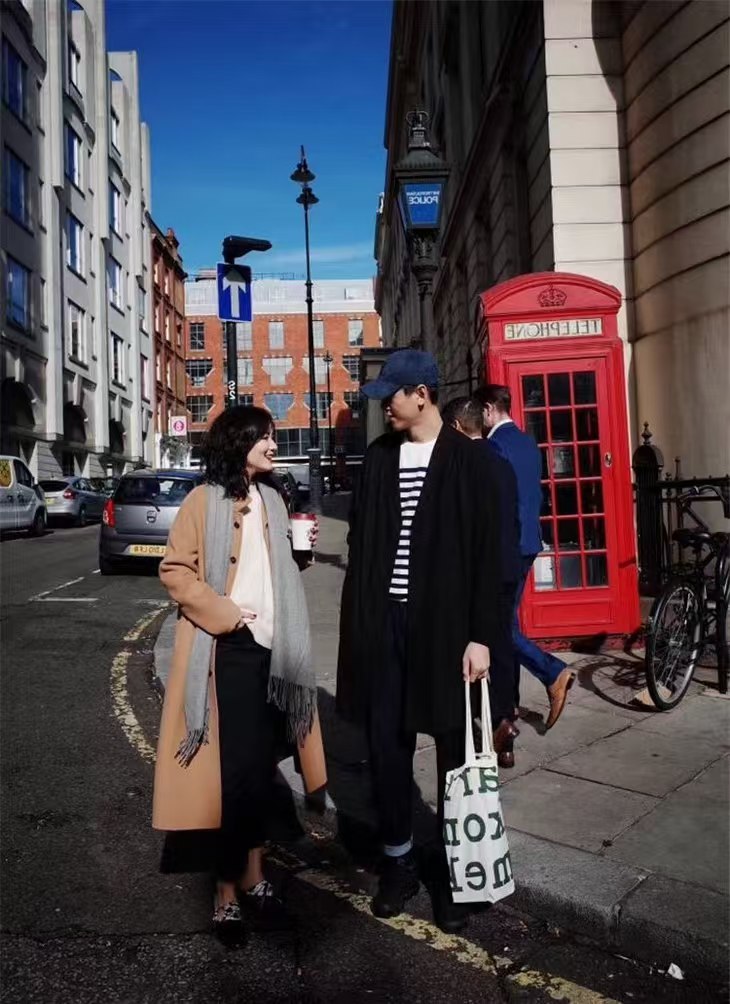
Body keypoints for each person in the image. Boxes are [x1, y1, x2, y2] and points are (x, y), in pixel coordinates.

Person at [337, 350, 502, 935]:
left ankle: (455, 875)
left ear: (422, 395)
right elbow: (361, 541)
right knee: (386, 746)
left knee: (454, 747)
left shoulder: (473, 462)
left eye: (393, 394)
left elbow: (490, 558)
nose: (386, 404)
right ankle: (399, 862)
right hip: (385, 623)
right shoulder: (380, 458)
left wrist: (481, 637)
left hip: (447, 628)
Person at [152, 405, 326, 947]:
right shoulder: (202, 502)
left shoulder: (273, 498)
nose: (273, 445)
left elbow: (273, 570)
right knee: (233, 779)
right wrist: (225, 612)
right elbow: (174, 570)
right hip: (228, 649)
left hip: (277, 654)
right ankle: (227, 894)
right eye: (265, 437)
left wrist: (301, 555)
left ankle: (253, 878)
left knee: (257, 774)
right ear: (239, 443)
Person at [474, 385, 574, 729]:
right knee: (508, 622)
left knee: (499, 629)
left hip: (507, 548)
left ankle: (552, 671)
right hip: (530, 541)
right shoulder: (528, 442)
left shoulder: (494, 446)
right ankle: (510, 703)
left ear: (489, 409)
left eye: (480, 413)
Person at [441, 396, 520, 767]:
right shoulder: (501, 461)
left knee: (472, 646)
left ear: (456, 427)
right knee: (502, 642)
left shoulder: (459, 464)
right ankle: (505, 718)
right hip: (508, 565)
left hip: (476, 570)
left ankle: (482, 718)